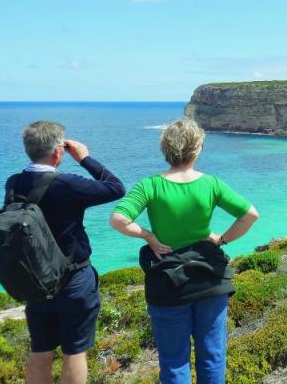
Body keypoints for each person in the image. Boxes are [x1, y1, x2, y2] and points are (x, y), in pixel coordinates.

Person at [110, 117, 259, 384]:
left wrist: (148, 236)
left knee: (174, 362)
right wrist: (221, 240)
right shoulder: (211, 184)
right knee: (212, 357)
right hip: (210, 278)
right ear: (197, 149)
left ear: (165, 149)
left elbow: (118, 219)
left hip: (168, 283)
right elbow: (250, 215)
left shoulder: (150, 185)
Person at [9, 121, 125, 384]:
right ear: (58, 152)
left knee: (40, 351)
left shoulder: (14, 184)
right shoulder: (68, 184)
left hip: (36, 282)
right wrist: (84, 158)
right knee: (74, 352)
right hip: (73, 280)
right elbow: (116, 187)